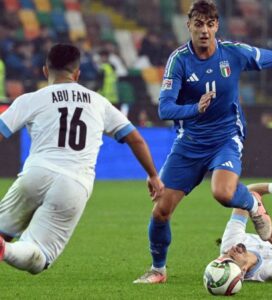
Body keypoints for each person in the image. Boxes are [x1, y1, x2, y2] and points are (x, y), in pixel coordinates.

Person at [134, 0, 272, 284]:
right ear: (189, 26)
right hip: (189, 143)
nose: (204, 31)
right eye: (198, 24)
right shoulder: (179, 61)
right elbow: (165, 109)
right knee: (161, 211)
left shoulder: (233, 54)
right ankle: (158, 270)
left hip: (226, 136)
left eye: (209, 24)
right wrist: (194, 109)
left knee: (223, 193)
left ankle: (252, 203)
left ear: (216, 26)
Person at [0, 44, 164, 274]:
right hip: (74, 183)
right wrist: (153, 176)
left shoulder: (31, 99)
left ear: (45, 71)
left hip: (35, 173)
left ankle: (3, 245)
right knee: (38, 255)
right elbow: (135, 139)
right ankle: (5, 251)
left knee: (2, 230)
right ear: (77, 74)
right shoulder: (98, 102)